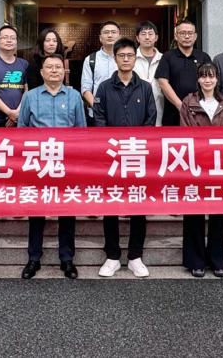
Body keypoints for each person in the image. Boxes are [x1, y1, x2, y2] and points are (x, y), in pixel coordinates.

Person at [17, 53, 86, 279]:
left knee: (67, 210)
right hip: (38, 162)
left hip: (66, 162)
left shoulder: (74, 96)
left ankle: (67, 259)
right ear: (42, 72)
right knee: (36, 211)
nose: (54, 70)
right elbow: (22, 130)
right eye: (50, 67)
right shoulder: (30, 96)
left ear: (64, 72)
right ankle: (33, 258)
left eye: (58, 67)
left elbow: (81, 131)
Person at [93, 37, 157, 278]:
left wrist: (136, 144)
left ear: (135, 58)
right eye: (122, 56)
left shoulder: (145, 87)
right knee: (110, 204)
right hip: (111, 156)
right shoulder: (104, 88)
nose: (126, 59)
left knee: (138, 205)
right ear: (115, 58)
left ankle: (135, 256)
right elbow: (99, 118)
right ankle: (112, 256)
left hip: (137, 154)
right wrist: (112, 145)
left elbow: (151, 118)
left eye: (130, 55)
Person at [179, 63, 223, 277]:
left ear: (217, 79)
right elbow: (184, 131)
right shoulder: (189, 102)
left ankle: (217, 261)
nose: (207, 80)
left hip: (219, 164)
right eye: (203, 76)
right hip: (195, 163)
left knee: (218, 214)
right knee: (194, 213)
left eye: (211, 76)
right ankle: (195, 261)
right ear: (198, 79)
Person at [157, 19, 212, 126]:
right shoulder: (167, 57)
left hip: (199, 113)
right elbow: (162, 82)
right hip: (173, 114)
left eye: (190, 33)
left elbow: (210, 82)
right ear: (176, 36)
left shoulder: (204, 57)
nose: (187, 36)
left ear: (195, 36)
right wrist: (181, 106)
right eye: (182, 33)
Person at [80, 21, 120, 123]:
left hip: (121, 113)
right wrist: (98, 106)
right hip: (96, 114)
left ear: (119, 37)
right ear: (100, 38)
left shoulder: (126, 58)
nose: (110, 35)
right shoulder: (90, 59)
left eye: (113, 32)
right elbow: (86, 88)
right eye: (106, 32)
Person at [133, 21, 164, 126]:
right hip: (134, 109)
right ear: (137, 38)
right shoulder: (130, 58)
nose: (147, 37)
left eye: (150, 34)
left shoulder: (164, 59)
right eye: (143, 34)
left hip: (160, 109)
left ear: (156, 38)